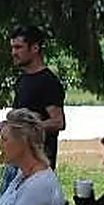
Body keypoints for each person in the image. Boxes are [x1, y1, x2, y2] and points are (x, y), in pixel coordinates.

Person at [10, 25, 67, 168]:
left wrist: (27, 128)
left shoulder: (48, 82)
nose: (13, 53)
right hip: (18, 159)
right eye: (12, 48)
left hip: (38, 162)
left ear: (35, 48)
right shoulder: (22, 80)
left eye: (18, 47)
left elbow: (58, 122)